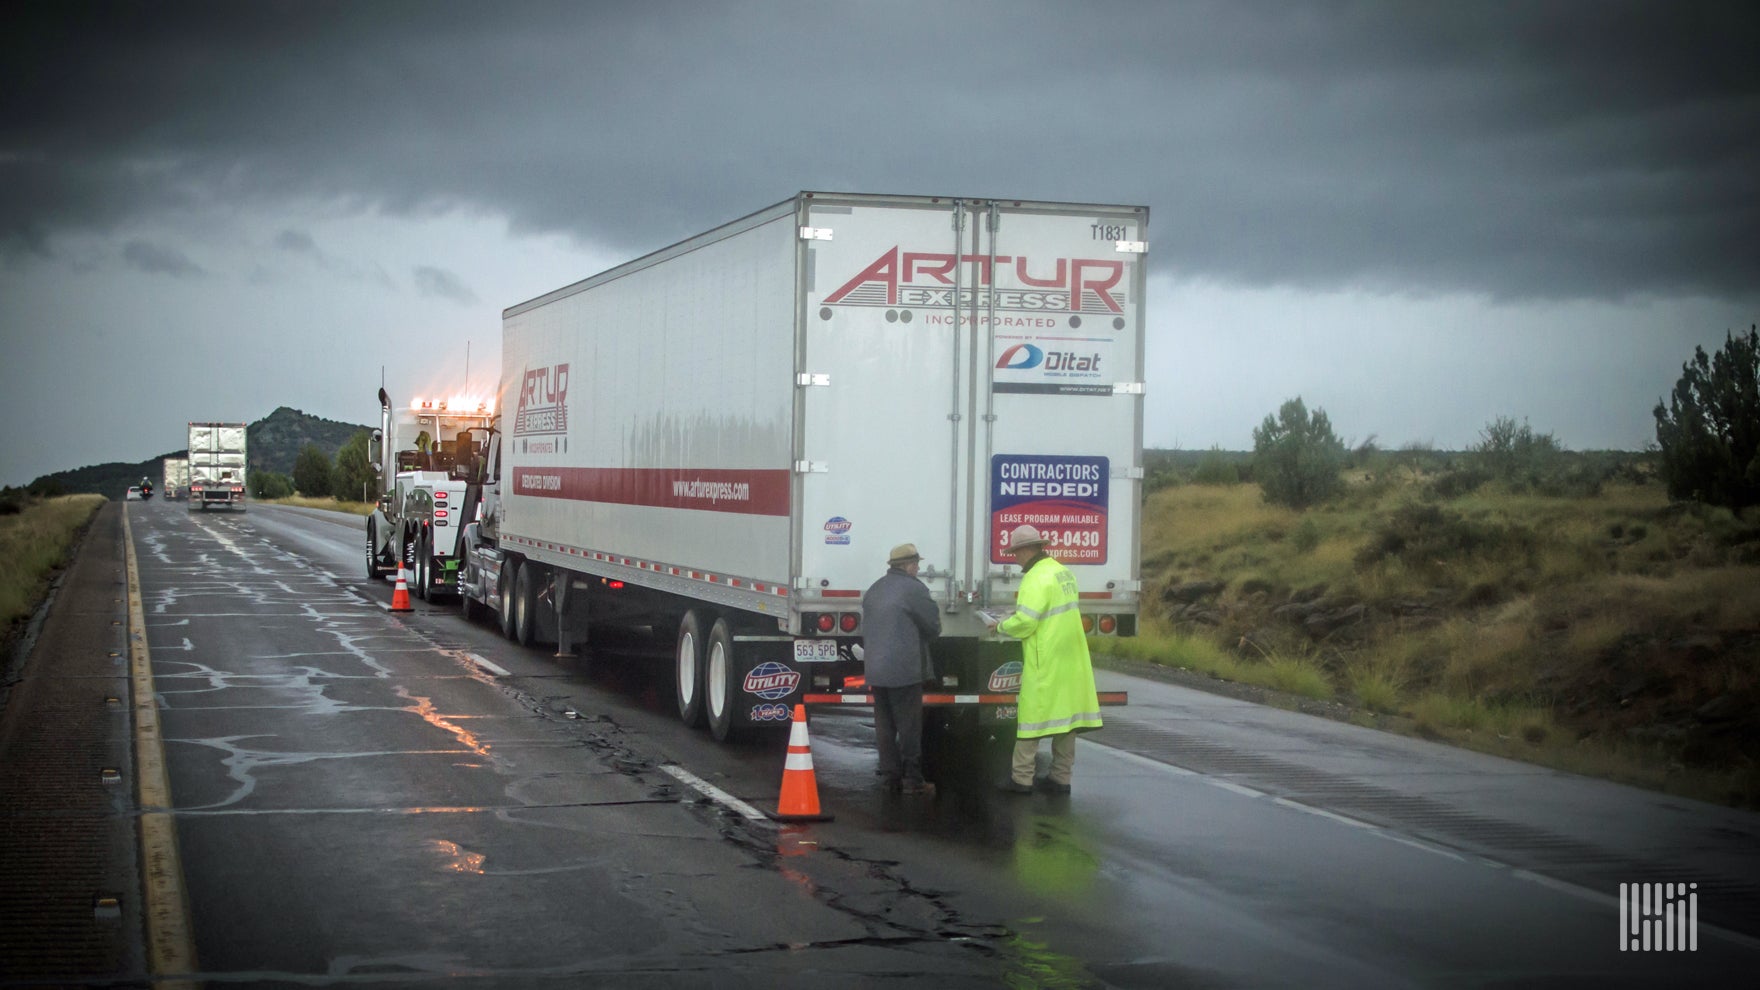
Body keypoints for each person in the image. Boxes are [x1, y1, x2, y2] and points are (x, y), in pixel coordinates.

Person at [982, 524, 1102, 794]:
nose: (1014, 558)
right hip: (1070, 658)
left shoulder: (1035, 578)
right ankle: (1061, 778)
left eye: (1015, 553)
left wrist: (999, 626)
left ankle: (1021, 780)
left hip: (1045, 658)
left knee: (1032, 717)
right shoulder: (1062, 572)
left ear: (1027, 550)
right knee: (1066, 717)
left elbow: (1026, 622)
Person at [861, 543, 942, 795]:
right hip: (904, 669)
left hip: (877, 668)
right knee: (909, 726)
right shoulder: (914, 589)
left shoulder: (875, 588)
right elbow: (933, 627)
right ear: (908, 566)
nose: (918, 568)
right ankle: (913, 780)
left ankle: (890, 778)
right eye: (916, 564)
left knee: (884, 726)